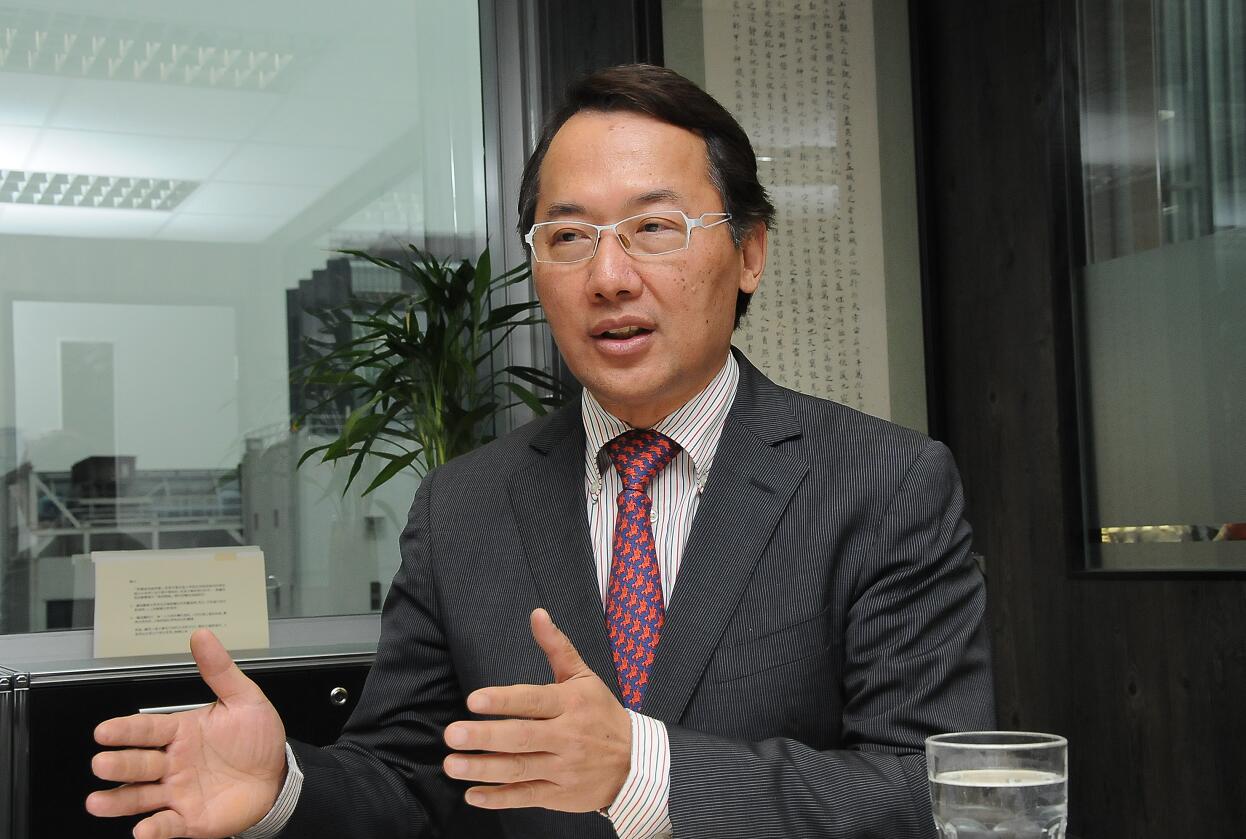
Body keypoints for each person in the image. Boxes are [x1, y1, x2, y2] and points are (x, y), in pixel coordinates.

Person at [87, 63, 993, 839]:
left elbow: (930, 793)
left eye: (654, 228)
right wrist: (285, 785)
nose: (608, 276)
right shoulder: (463, 506)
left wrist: (643, 769)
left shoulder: (883, 483)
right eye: (568, 237)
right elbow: (407, 781)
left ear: (749, 252)